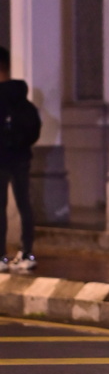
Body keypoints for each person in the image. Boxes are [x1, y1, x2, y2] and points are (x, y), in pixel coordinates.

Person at [0, 47, 41, 272]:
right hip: (21, 158)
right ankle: (27, 253)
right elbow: (34, 131)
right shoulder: (24, 102)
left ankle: (1, 257)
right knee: (24, 204)